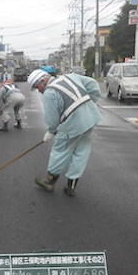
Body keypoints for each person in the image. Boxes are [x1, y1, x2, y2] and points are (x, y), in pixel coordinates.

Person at [27, 68, 102, 197]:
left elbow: (52, 119)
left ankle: (50, 181)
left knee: (60, 150)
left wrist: (51, 131)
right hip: (90, 118)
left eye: (37, 86)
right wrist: (90, 102)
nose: (38, 90)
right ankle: (71, 186)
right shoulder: (71, 77)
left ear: (43, 80)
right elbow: (93, 85)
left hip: (73, 123)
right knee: (81, 152)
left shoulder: (50, 93)